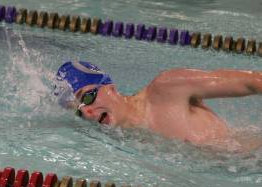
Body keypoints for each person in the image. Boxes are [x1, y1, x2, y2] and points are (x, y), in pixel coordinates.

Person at [53, 60, 262, 145]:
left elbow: (252, 83)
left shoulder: (167, 89)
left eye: (87, 97)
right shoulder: (126, 141)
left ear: (109, 86)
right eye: (79, 111)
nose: (88, 113)